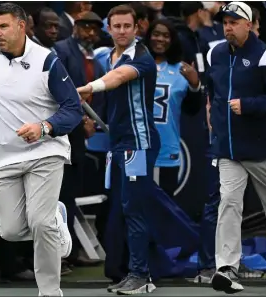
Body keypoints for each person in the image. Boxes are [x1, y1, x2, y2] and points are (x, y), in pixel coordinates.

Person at [0, 3, 82, 296]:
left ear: (21, 26)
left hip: (46, 151)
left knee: (40, 222)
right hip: (5, 157)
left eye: (3, 27)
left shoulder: (46, 60)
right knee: (11, 231)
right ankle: (56, 223)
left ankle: (49, 291)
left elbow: (73, 109)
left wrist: (44, 127)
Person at [206, 2, 266, 294]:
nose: (228, 27)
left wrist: (249, 105)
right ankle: (227, 267)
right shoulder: (215, 53)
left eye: (234, 22)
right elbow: (213, 89)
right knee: (229, 203)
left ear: (250, 24)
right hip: (228, 149)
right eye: (225, 22)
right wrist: (213, 113)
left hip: (262, 149)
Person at [76, 4, 161, 295]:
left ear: (137, 28)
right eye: (117, 26)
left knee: (134, 211)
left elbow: (118, 78)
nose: (123, 31)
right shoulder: (105, 55)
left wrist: (89, 87)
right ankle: (132, 272)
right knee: (125, 210)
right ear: (108, 29)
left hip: (138, 145)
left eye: (128, 26)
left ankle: (142, 275)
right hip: (119, 145)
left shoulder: (142, 58)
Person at [53, 11, 106, 268]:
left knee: (70, 196)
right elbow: (57, 92)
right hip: (61, 136)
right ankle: (58, 255)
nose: (91, 33)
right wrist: (80, 121)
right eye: (86, 28)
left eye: (95, 29)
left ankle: (68, 253)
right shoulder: (61, 50)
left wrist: (89, 122)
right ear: (76, 28)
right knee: (59, 198)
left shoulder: (93, 57)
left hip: (77, 140)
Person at [144, 19, 202, 196]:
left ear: (173, 40)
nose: (160, 39)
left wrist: (195, 85)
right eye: (156, 34)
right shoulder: (137, 65)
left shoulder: (181, 70)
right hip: (138, 147)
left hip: (166, 146)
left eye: (165, 35)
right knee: (137, 206)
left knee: (164, 207)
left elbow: (192, 110)